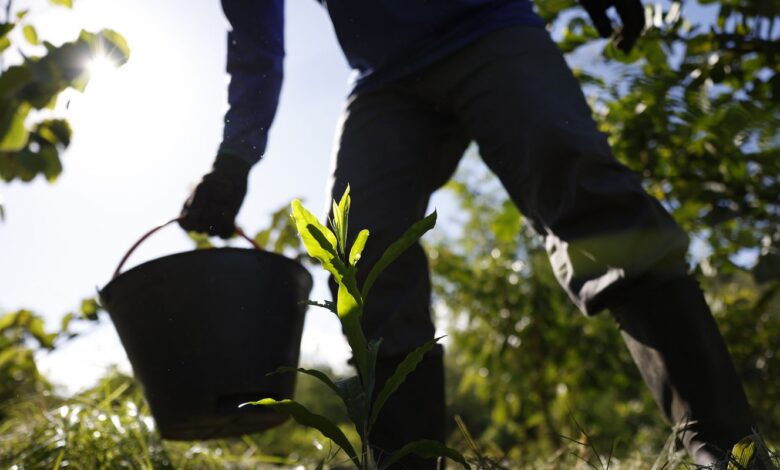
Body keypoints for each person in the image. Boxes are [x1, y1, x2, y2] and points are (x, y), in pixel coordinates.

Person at [180, 1, 757, 467]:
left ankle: (726, 448)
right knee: (361, 253)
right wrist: (234, 159)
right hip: (384, 79)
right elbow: (255, 41)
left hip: (489, 23)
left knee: (584, 189)